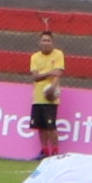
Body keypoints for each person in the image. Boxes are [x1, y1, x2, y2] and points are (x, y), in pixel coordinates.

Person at [28, 31, 66, 160]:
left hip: (50, 97)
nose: (46, 43)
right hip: (38, 96)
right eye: (43, 40)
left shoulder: (58, 54)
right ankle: (44, 151)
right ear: (39, 42)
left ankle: (55, 152)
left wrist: (52, 88)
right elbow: (35, 77)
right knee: (41, 127)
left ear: (52, 42)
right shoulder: (34, 57)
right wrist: (50, 73)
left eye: (48, 40)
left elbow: (58, 73)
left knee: (50, 127)